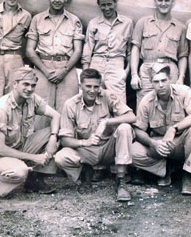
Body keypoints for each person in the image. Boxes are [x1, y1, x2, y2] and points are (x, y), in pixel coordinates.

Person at [55, 68, 136, 202]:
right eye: (88, 86)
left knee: (125, 128)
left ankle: (121, 180)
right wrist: (84, 143)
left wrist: (107, 121)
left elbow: (132, 116)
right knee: (61, 157)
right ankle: (84, 173)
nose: (92, 90)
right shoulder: (70, 104)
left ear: (100, 86)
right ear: (80, 86)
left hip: (109, 148)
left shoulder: (108, 96)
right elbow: (65, 140)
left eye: (96, 86)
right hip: (87, 150)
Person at [0, 67, 60, 198]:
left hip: (18, 146)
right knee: (19, 171)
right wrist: (35, 158)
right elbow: (0, 149)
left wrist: (53, 138)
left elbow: (56, 115)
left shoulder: (32, 99)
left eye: (33, 85)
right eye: (25, 84)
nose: (30, 89)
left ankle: (33, 179)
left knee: (57, 133)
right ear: (15, 84)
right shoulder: (1, 108)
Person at [131, 63, 191, 195]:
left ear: (170, 79)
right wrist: (152, 143)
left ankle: (188, 175)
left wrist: (174, 129)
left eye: (164, 80)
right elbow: (138, 130)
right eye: (156, 81)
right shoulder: (146, 101)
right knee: (132, 151)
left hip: (182, 142)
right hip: (160, 144)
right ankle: (165, 168)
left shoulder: (184, 91)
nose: (160, 85)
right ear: (151, 83)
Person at [26, 0, 84, 130]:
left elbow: (77, 51)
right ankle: (40, 144)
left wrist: (64, 70)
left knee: (68, 106)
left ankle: (64, 143)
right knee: (40, 107)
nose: (57, 0)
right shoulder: (37, 19)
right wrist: (45, 71)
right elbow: (29, 51)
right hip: (42, 66)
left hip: (67, 67)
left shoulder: (74, 20)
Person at [130, 0, 188, 107]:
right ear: (155, 2)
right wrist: (134, 74)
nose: (163, 4)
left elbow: (183, 55)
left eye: (167, 0)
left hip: (170, 69)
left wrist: (181, 77)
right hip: (147, 69)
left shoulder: (180, 27)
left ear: (173, 2)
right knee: (144, 105)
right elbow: (135, 49)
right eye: (160, 0)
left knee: (171, 105)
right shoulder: (143, 22)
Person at [82, 0, 133, 103]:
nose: (107, 8)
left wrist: (126, 72)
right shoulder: (93, 23)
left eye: (109, 4)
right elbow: (88, 48)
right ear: (98, 4)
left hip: (117, 65)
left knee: (118, 103)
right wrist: (86, 73)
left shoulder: (127, 23)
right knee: (93, 101)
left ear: (115, 3)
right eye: (103, 5)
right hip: (96, 64)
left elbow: (130, 50)